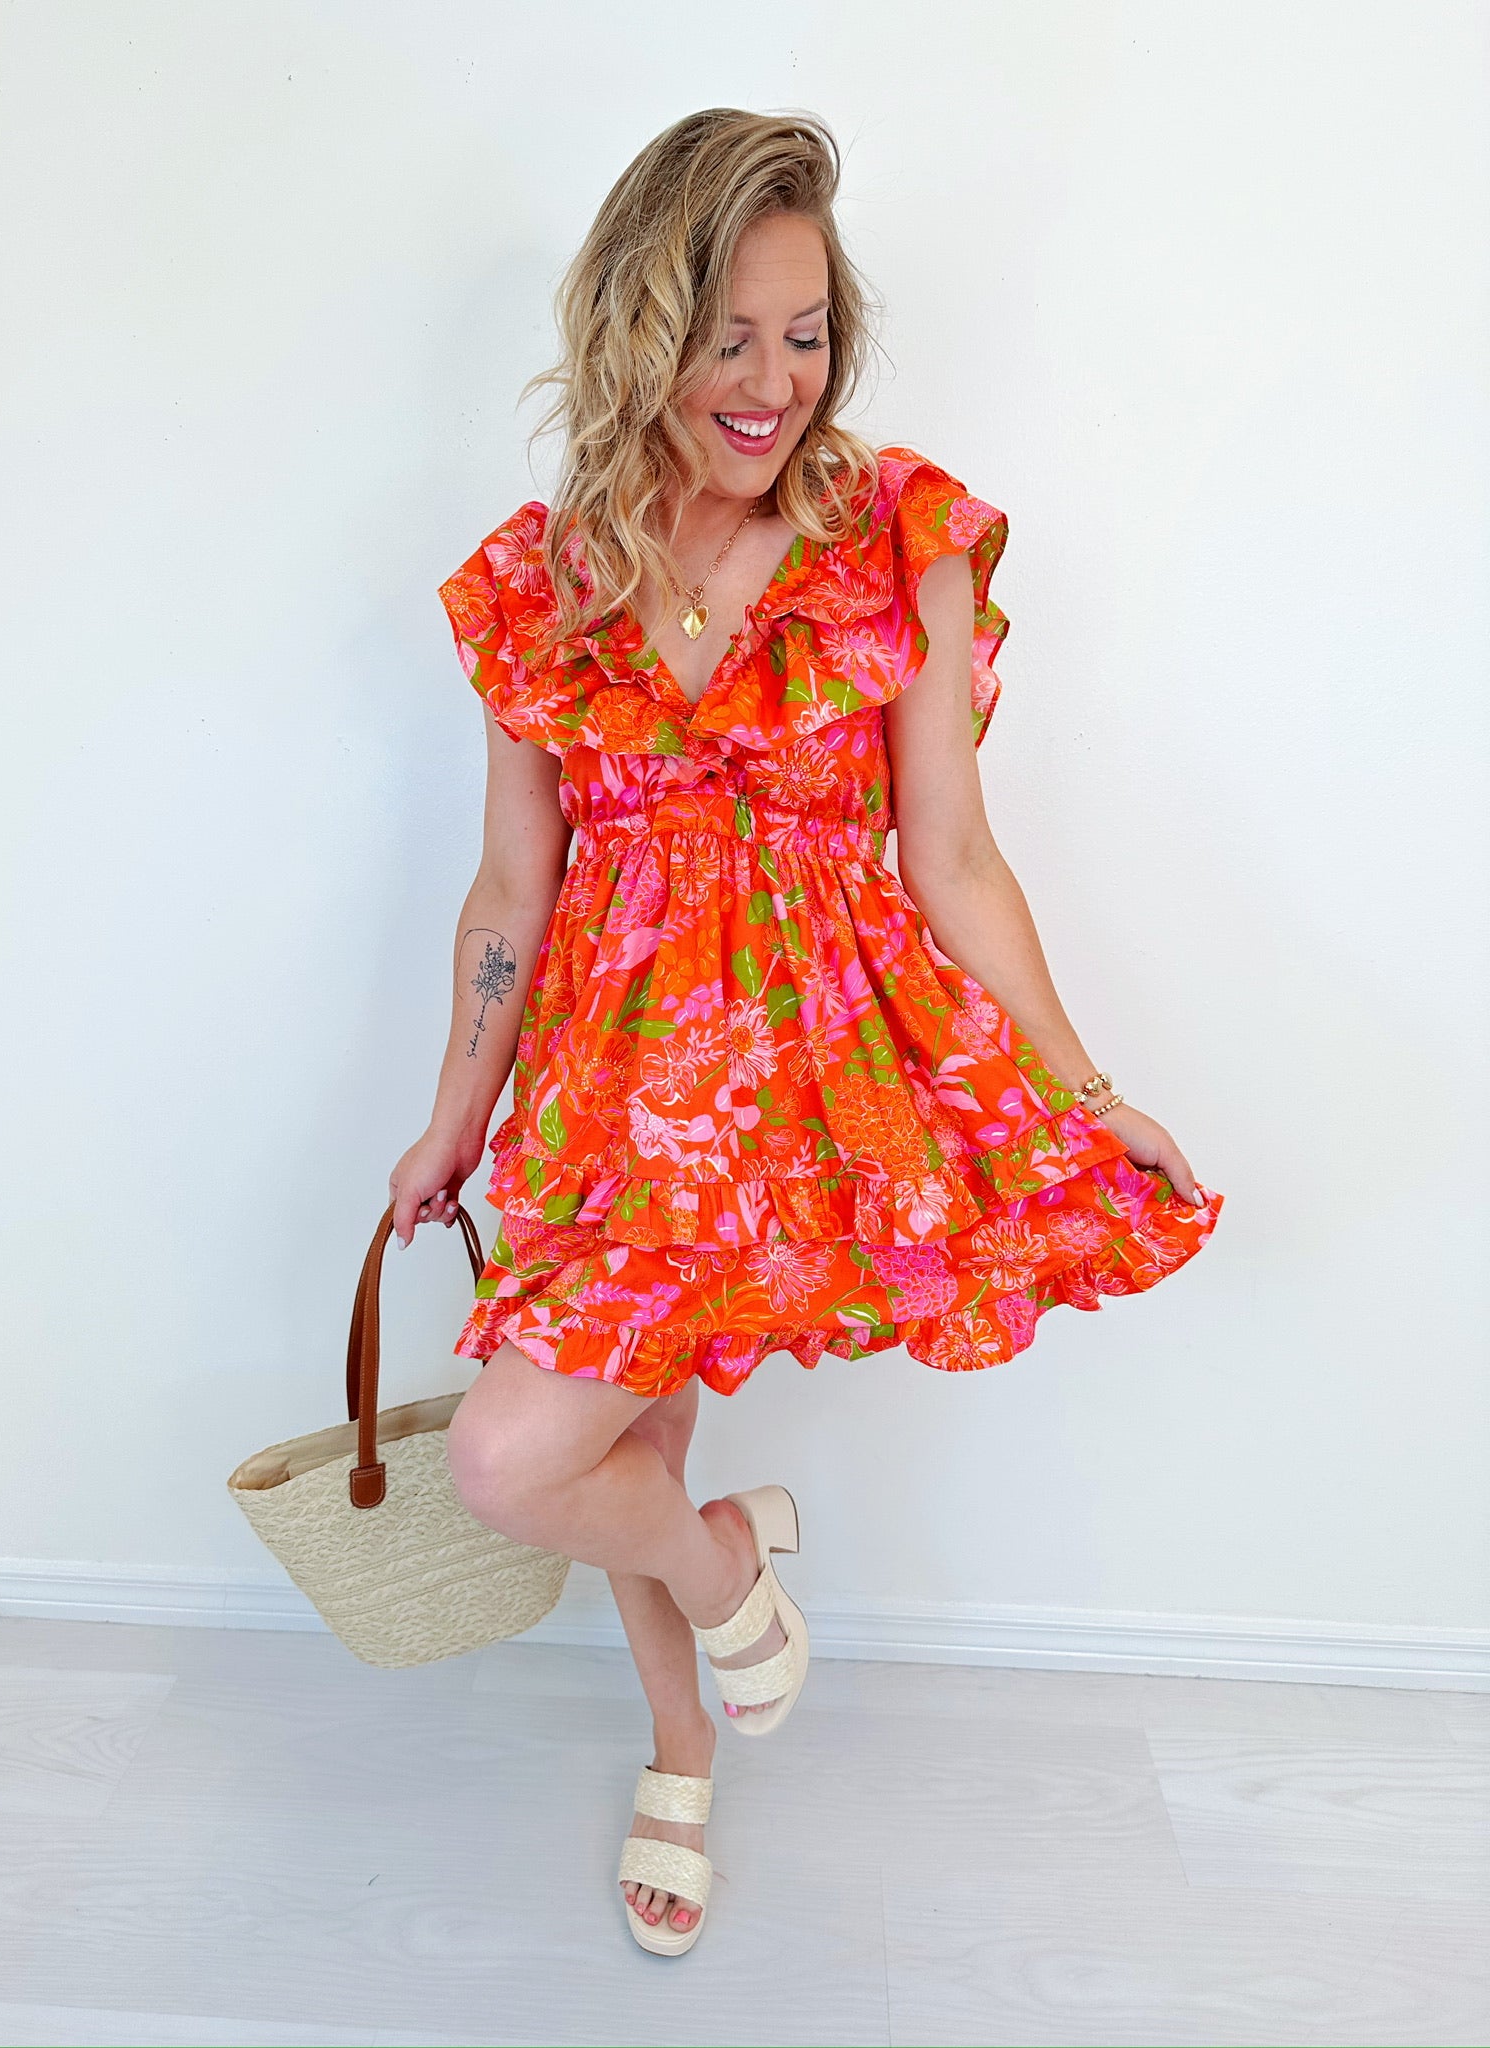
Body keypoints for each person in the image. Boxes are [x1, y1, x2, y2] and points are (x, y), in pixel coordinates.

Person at [389, 106, 1222, 1956]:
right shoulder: (544, 583)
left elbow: (955, 857)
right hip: (608, 1088)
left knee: (537, 1450)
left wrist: (1088, 1087)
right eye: (729, 339)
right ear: (639, 333)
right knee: (572, 1453)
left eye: (808, 333)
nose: (775, 385)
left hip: (807, 1094)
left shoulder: (894, 535)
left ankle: (711, 1621)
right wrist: (451, 1113)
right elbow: (511, 888)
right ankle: (703, 1658)